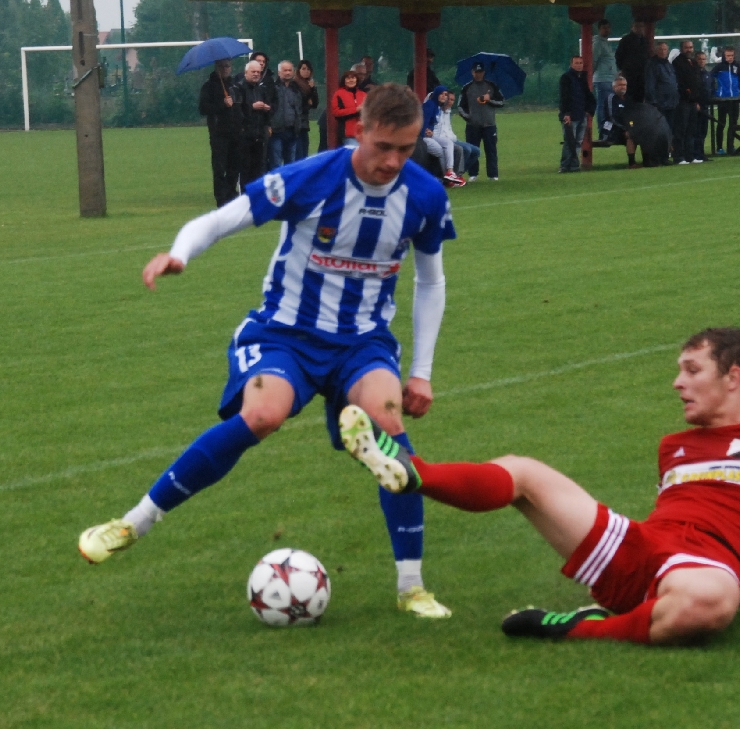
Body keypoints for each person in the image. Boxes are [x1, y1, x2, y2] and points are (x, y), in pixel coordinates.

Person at [77, 83, 456, 620]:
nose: (393, 161)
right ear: (360, 131)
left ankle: (412, 587)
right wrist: (180, 253)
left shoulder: (425, 194)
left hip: (363, 341)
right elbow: (220, 219)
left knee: (389, 425)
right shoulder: (313, 177)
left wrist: (421, 372)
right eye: (383, 147)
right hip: (285, 333)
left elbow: (431, 281)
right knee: (262, 415)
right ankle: (133, 522)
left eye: (406, 148)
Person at [338, 327, 740, 644]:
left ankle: (576, 626)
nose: (677, 383)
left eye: (691, 370)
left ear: (734, 377)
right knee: (524, 472)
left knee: (708, 604)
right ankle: (413, 472)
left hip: (709, 568)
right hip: (642, 548)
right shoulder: (674, 445)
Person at [198, 58, 241, 207]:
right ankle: (221, 197)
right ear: (217, 67)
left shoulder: (234, 85)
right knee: (219, 167)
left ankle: (231, 193)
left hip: (235, 132)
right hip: (219, 133)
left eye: (227, 66)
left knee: (234, 167)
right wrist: (222, 104)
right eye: (222, 66)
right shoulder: (208, 87)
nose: (225, 69)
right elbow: (203, 108)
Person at [458, 62, 504, 181]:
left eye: (480, 72)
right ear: (472, 72)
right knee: (473, 151)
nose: (478, 74)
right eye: (476, 72)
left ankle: (493, 175)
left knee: (491, 150)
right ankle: (473, 174)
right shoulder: (467, 88)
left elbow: (501, 102)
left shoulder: (491, 86)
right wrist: (469, 117)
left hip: (489, 124)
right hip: (473, 125)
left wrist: (490, 100)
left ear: (484, 72)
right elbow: (460, 107)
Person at [234, 60, 273, 187]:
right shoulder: (238, 88)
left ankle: (256, 195)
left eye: (258, 72)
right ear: (246, 72)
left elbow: (270, 108)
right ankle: (245, 195)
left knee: (259, 167)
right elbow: (237, 111)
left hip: (259, 133)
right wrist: (252, 107)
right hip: (244, 134)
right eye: (253, 72)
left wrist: (267, 109)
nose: (256, 74)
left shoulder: (261, 89)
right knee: (245, 168)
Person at [558, 56, 596, 173]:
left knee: (578, 142)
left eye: (580, 63)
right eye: (576, 63)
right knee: (569, 141)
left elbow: (587, 95)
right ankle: (564, 166)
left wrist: (590, 110)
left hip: (581, 115)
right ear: (571, 64)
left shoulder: (582, 78)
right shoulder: (566, 78)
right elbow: (564, 97)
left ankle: (574, 165)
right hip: (570, 116)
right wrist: (566, 113)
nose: (579, 65)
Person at [421, 86, 465, 185]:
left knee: (448, 143)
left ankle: (450, 172)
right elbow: (423, 122)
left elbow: (431, 124)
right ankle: (445, 177)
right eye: (441, 94)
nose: (443, 96)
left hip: (429, 135)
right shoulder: (430, 104)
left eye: (445, 95)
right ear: (436, 94)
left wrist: (431, 131)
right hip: (422, 137)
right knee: (439, 150)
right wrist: (423, 133)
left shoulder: (436, 106)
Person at [645, 42, 680, 163]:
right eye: (660, 49)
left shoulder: (668, 64)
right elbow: (650, 84)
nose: (663, 51)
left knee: (669, 131)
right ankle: (658, 157)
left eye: (665, 49)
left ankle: (665, 156)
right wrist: (654, 102)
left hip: (671, 103)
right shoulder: (653, 65)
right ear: (656, 50)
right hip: (660, 104)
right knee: (660, 132)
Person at [435, 89, 479, 178]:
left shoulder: (449, 112)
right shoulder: (437, 111)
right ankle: (454, 175)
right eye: (448, 99)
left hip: (452, 138)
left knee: (476, 151)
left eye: (452, 100)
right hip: (444, 139)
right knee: (466, 149)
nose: (450, 102)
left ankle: (458, 174)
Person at [269, 60, 302, 169]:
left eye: (290, 70)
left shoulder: (296, 89)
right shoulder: (273, 88)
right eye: (285, 70)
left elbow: (299, 109)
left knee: (291, 164)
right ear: (279, 72)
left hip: (292, 131)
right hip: (276, 131)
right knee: (276, 163)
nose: (287, 72)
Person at [671, 40, 700, 164]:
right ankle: (679, 157)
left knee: (691, 130)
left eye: (691, 47)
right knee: (681, 130)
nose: (689, 50)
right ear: (681, 49)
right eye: (686, 47)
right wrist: (687, 93)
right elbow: (680, 83)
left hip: (693, 102)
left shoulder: (693, 62)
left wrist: (696, 99)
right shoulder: (677, 63)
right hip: (682, 101)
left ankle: (690, 156)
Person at [711, 47, 740, 155]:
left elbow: (739, 79)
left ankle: (731, 146)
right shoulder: (719, 67)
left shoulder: (737, 66)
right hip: (723, 99)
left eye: (732, 55)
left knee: (733, 124)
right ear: (724, 56)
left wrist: (737, 90)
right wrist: (715, 92)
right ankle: (719, 147)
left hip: (734, 99)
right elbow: (711, 78)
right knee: (721, 123)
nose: (730, 58)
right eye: (728, 56)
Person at [592, 20, 618, 140]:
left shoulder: (606, 43)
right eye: (604, 28)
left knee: (609, 107)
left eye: (608, 27)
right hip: (602, 80)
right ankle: (603, 132)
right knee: (603, 106)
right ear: (599, 29)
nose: (606, 30)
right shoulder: (597, 43)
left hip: (610, 79)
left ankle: (608, 131)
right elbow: (593, 61)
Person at [615, 20, 648, 102]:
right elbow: (618, 56)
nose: (639, 28)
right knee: (629, 98)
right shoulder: (625, 40)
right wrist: (624, 68)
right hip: (629, 74)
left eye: (641, 26)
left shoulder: (644, 41)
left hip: (642, 75)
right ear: (632, 27)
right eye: (637, 26)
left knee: (640, 98)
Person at [332, 70, 366, 146]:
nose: (351, 80)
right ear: (344, 81)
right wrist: (355, 110)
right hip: (348, 134)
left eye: (353, 78)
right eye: (348, 78)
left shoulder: (363, 94)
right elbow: (336, 112)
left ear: (356, 79)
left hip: (363, 133)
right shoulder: (339, 94)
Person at [293, 60, 319, 160]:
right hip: (296, 123)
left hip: (304, 124)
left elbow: (315, 104)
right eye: (303, 69)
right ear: (298, 70)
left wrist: (313, 89)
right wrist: (308, 103)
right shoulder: (294, 84)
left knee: (305, 151)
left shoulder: (310, 85)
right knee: (298, 152)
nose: (306, 71)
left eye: (308, 69)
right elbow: (299, 103)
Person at [691, 51, 712, 163]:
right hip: (697, 106)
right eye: (699, 59)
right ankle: (695, 154)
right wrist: (695, 102)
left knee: (703, 131)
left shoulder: (707, 74)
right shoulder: (694, 73)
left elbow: (710, 88)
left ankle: (701, 153)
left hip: (705, 105)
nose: (702, 61)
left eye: (703, 59)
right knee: (696, 131)